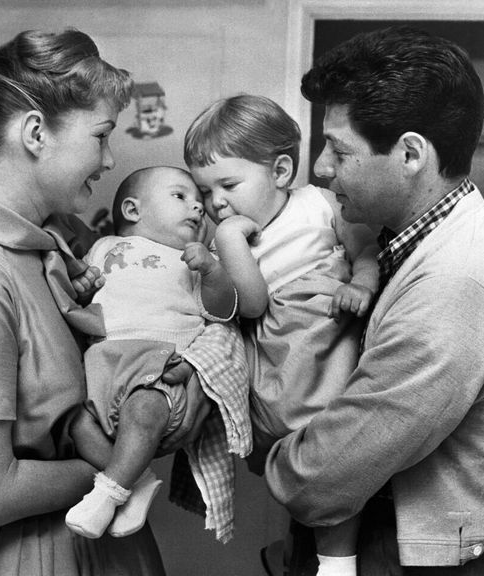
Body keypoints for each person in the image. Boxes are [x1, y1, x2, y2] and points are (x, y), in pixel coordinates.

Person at [0, 28, 171, 576]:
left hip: (99, 544)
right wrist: (116, 470)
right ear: (35, 133)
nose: (108, 160)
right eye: (101, 135)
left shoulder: (62, 245)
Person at [264, 25, 484, 575]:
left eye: (338, 148)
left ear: (409, 154)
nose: (321, 169)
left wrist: (268, 444)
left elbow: (322, 477)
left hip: (398, 557)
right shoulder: (395, 241)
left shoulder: (454, 284)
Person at [184, 94, 380, 576]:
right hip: (278, 359)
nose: (216, 202)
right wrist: (227, 244)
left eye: (227, 184)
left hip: (328, 340)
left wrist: (360, 284)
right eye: (205, 192)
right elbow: (249, 305)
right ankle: (313, 549)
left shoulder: (318, 203)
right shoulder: (224, 241)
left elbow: (367, 249)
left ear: (280, 171)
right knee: (298, 458)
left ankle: (337, 559)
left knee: (339, 452)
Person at [64, 165, 241, 540]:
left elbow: (224, 312)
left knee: (143, 411)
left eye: (199, 203)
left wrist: (212, 273)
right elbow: (85, 294)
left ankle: (108, 492)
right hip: (102, 365)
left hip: (158, 366)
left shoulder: (194, 260)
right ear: (133, 210)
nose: (197, 208)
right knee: (75, 424)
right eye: (181, 197)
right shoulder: (103, 247)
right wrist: (82, 287)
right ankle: (137, 479)